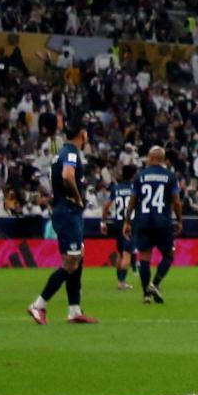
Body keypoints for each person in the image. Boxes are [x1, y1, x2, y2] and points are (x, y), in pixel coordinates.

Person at [29, 117, 99, 324]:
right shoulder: (70, 153)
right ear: (82, 134)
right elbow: (68, 175)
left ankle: (74, 310)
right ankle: (38, 304)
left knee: (78, 257)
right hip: (68, 212)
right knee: (70, 263)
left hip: (66, 212)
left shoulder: (61, 153)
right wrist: (77, 197)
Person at [124, 146, 183, 304]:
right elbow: (176, 201)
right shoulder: (170, 176)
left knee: (144, 257)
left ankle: (146, 295)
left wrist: (127, 221)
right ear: (162, 159)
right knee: (169, 255)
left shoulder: (139, 176)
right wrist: (179, 220)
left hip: (143, 221)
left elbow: (132, 201)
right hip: (162, 221)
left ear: (150, 158)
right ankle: (154, 284)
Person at [103, 165, 136, 291]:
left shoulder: (115, 189)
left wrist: (103, 221)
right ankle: (122, 282)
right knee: (127, 254)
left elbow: (106, 206)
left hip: (118, 223)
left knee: (120, 253)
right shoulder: (135, 189)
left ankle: (119, 280)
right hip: (130, 223)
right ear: (133, 175)